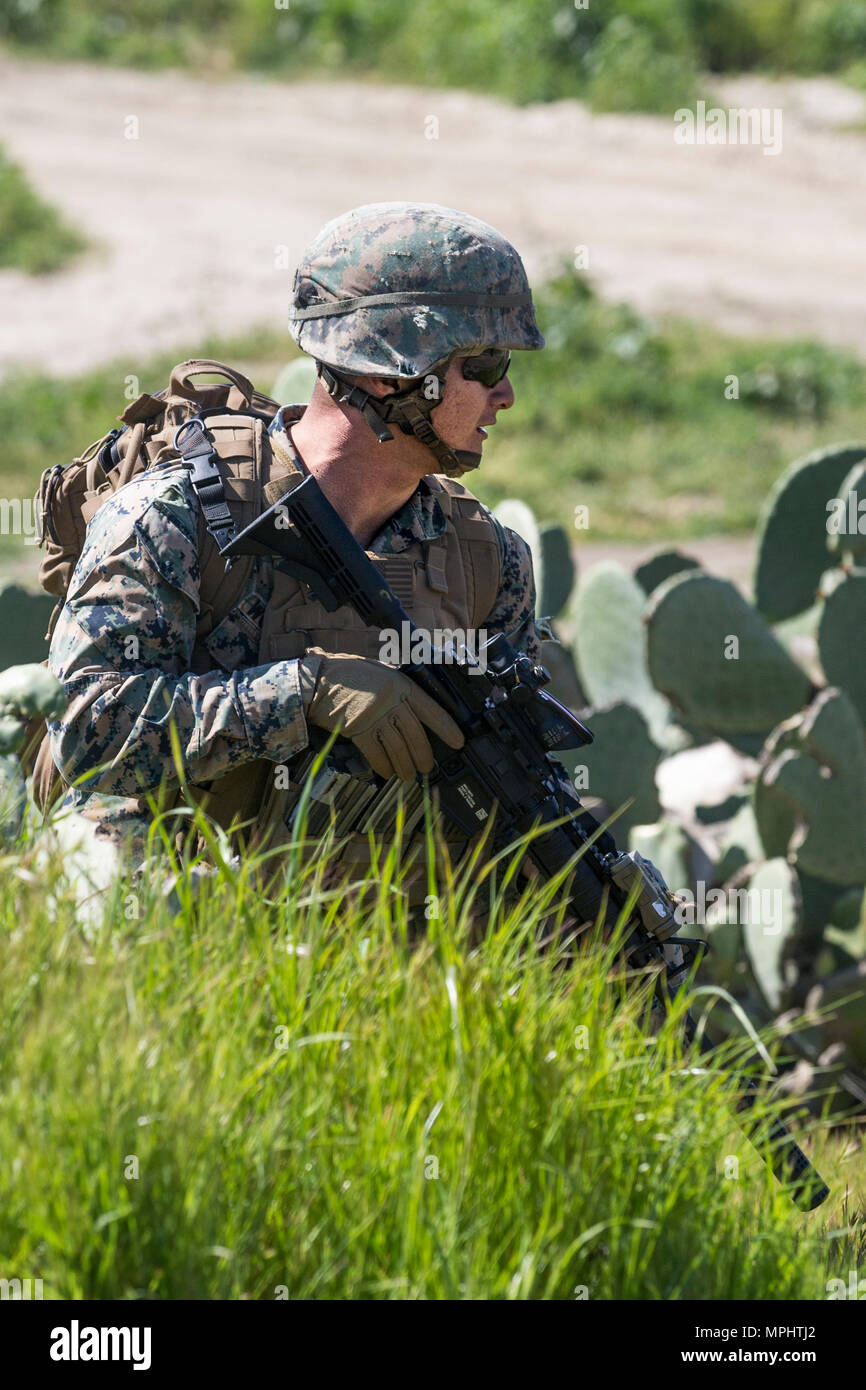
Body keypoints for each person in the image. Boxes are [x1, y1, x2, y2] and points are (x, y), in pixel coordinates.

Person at [46, 202, 547, 903]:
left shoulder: (489, 562)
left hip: (362, 928)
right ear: (390, 372)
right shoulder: (178, 517)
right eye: (484, 363)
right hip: (172, 905)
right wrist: (301, 693)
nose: (506, 395)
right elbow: (87, 734)